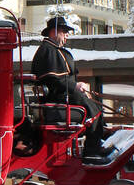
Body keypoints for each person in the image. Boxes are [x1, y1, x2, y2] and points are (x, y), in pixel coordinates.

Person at [31, 16, 111, 161]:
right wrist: (76, 86)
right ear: (54, 32)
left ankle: (100, 139)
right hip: (58, 97)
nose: (67, 34)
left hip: (64, 94)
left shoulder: (54, 49)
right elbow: (55, 80)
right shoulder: (48, 51)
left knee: (95, 106)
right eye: (64, 31)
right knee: (93, 111)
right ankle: (92, 151)